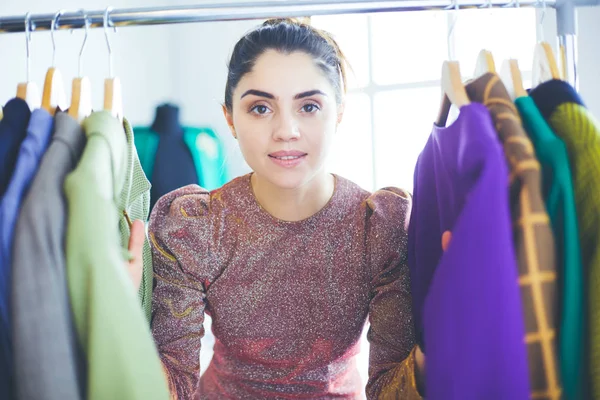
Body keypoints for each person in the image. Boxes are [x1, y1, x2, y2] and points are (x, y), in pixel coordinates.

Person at [127, 18, 427, 399]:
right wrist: (122, 314)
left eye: (309, 105)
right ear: (229, 119)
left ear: (338, 113)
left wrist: (446, 329)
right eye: (261, 108)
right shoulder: (196, 227)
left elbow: (391, 390)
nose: (286, 129)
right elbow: (173, 389)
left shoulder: (379, 228)